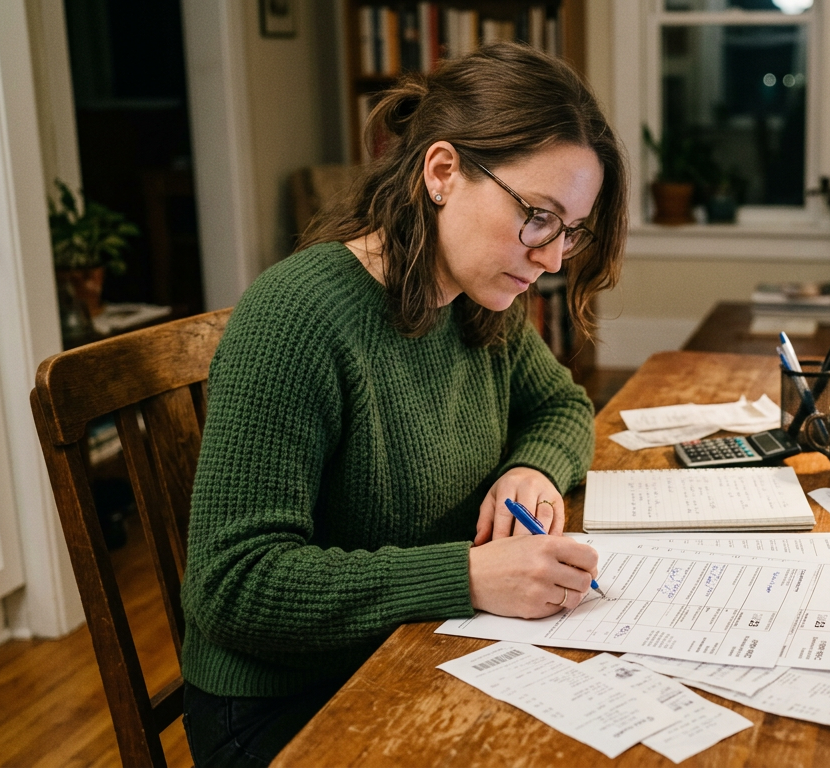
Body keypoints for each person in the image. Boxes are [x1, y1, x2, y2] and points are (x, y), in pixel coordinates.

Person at [178, 43, 627, 767]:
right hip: (284, 707)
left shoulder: (482, 303)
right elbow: (233, 585)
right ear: (443, 171)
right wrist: (470, 576)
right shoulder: (297, 317)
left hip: (422, 648)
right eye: (538, 216)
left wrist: (533, 471)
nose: (551, 258)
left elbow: (564, 408)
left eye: (570, 230)